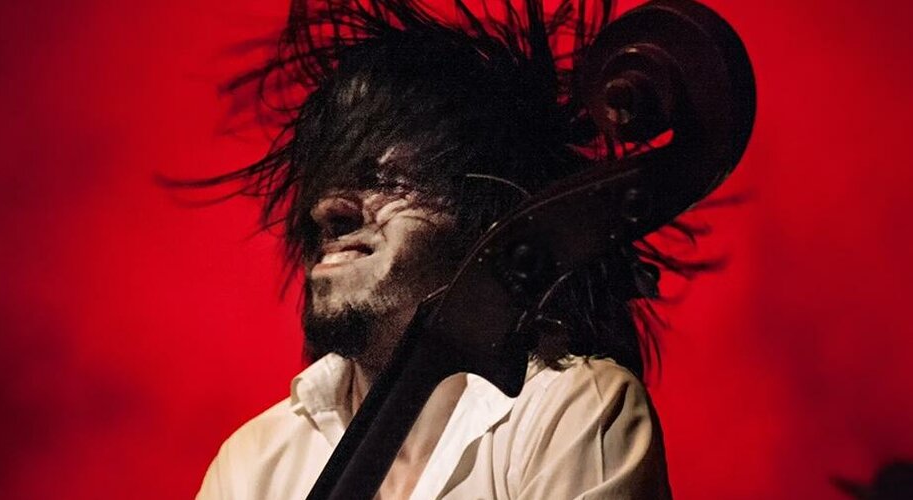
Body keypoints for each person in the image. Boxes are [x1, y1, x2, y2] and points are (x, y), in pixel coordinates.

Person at [189, 1, 703, 497]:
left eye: (383, 180)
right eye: (323, 182)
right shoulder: (254, 465)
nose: (325, 209)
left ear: (480, 218)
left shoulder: (569, 416)